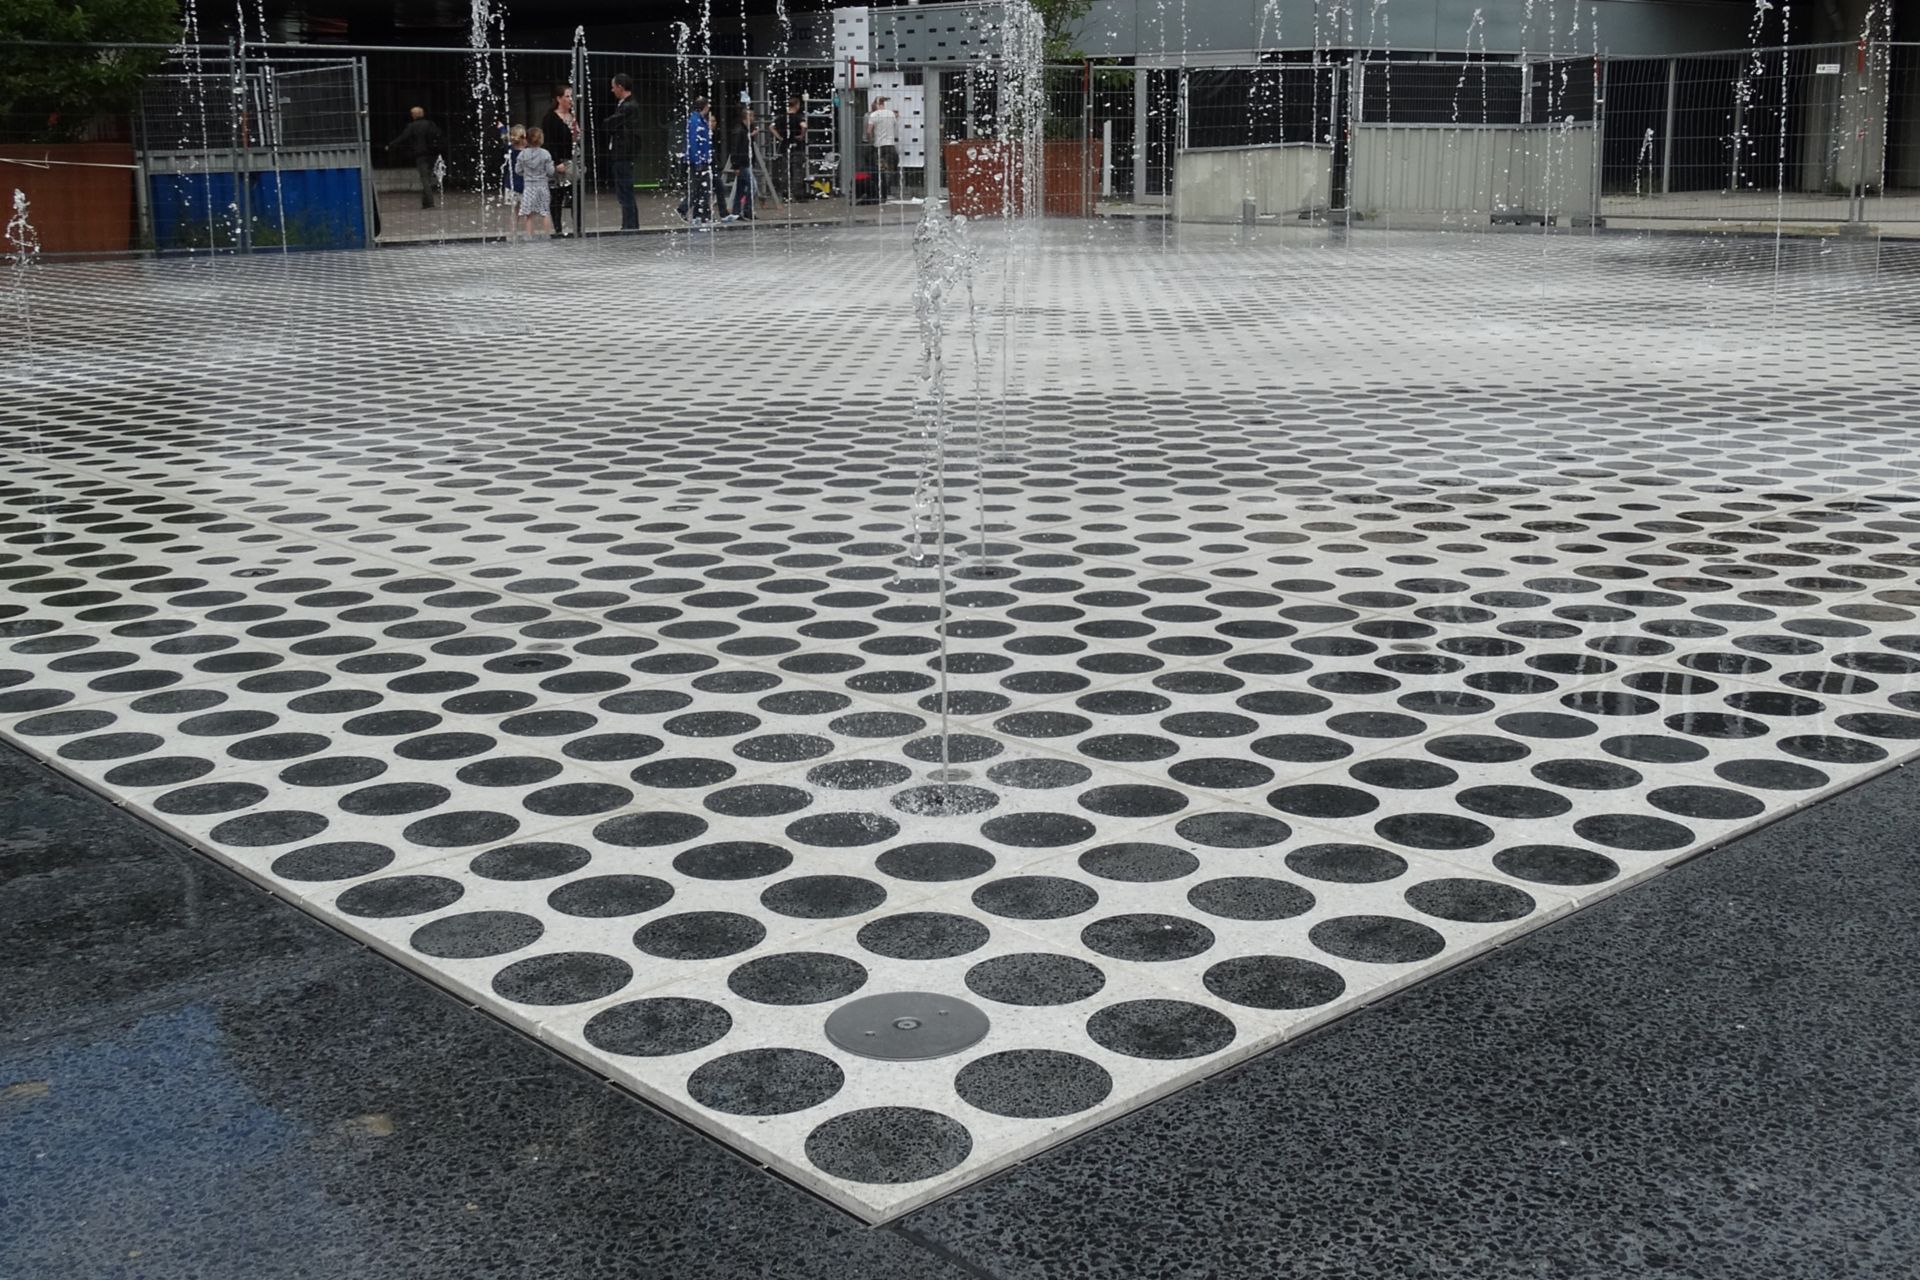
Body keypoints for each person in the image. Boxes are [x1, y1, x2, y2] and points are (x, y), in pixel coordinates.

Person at [604, 73, 642, 230]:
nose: (612, 90)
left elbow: (609, 123)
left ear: (620, 87)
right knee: (625, 190)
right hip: (623, 153)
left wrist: (607, 124)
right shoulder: (625, 105)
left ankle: (630, 225)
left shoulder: (628, 106)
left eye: (613, 87)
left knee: (625, 190)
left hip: (623, 153)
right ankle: (629, 224)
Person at [540, 83, 579, 237]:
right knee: (557, 197)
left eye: (572, 96)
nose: (571, 99)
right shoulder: (550, 119)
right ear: (558, 98)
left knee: (576, 196)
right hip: (560, 162)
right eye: (567, 96)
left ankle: (578, 227)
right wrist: (556, 162)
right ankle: (557, 229)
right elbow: (549, 142)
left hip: (575, 162)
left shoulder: (575, 117)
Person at [386, 106, 443, 209]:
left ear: (413, 115)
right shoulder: (431, 124)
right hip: (433, 155)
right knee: (428, 178)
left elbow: (403, 137)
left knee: (424, 179)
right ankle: (425, 203)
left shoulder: (412, 126)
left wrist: (390, 145)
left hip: (421, 155)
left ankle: (430, 203)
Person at [675, 97, 714, 226]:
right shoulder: (696, 121)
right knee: (701, 188)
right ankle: (685, 209)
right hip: (699, 161)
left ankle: (700, 215)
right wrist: (697, 161)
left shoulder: (698, 120)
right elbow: (693, 142)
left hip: (701, 159)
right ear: (705, 106)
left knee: (702, 189)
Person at [516, 125, 556, 239]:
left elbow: (517, 170)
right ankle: (547, 235)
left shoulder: (522, 154)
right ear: (541, 139)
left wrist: (526, 174)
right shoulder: (545, 154)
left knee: (528, 214)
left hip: (529, 187)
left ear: (527, 139)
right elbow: (550, 171)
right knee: (545, 212)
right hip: (542, 186)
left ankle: (529, 235)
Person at [724, 107, 760, 222]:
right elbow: (735, 148)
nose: (753, 119)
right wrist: (735, 165)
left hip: (744, 162)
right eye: (752, 117)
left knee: (740, 189)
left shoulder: (744, 131)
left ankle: (736, 212)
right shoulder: (740, 131)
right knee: (752, 187)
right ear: (747, 117)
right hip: (742, 163)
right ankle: (747, 210)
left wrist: (751, 136)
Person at [865, 95, 900, 202]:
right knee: (889, 169)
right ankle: (888, 192)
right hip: (890, 145)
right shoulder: (891, 114)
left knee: (880, 170)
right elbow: (894, 124)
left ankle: (882, 192)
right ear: (883, 104)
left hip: (879, 146)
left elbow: (868, 131)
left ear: (876, 104)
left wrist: (870, 140)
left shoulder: (874, 115)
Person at [773, 95, 806, 204]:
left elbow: (771, 126)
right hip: (796, 146)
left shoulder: (782, 117)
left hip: (785, 146)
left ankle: (786, 194)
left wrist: (779, 137)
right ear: (796, 105)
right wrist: (801, 135)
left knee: (785, 171)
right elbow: (804, 126)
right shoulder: (798, 117)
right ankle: (798, 195)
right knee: (797, 170)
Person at [500, 123, 526, 235]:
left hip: (511, 185)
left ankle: (512, 232)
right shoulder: (528, 151)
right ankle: (528, 233)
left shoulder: (509, 149)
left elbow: (504, 137)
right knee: (526, 212)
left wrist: (502, 128)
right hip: (525, 185)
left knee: (514, 212)